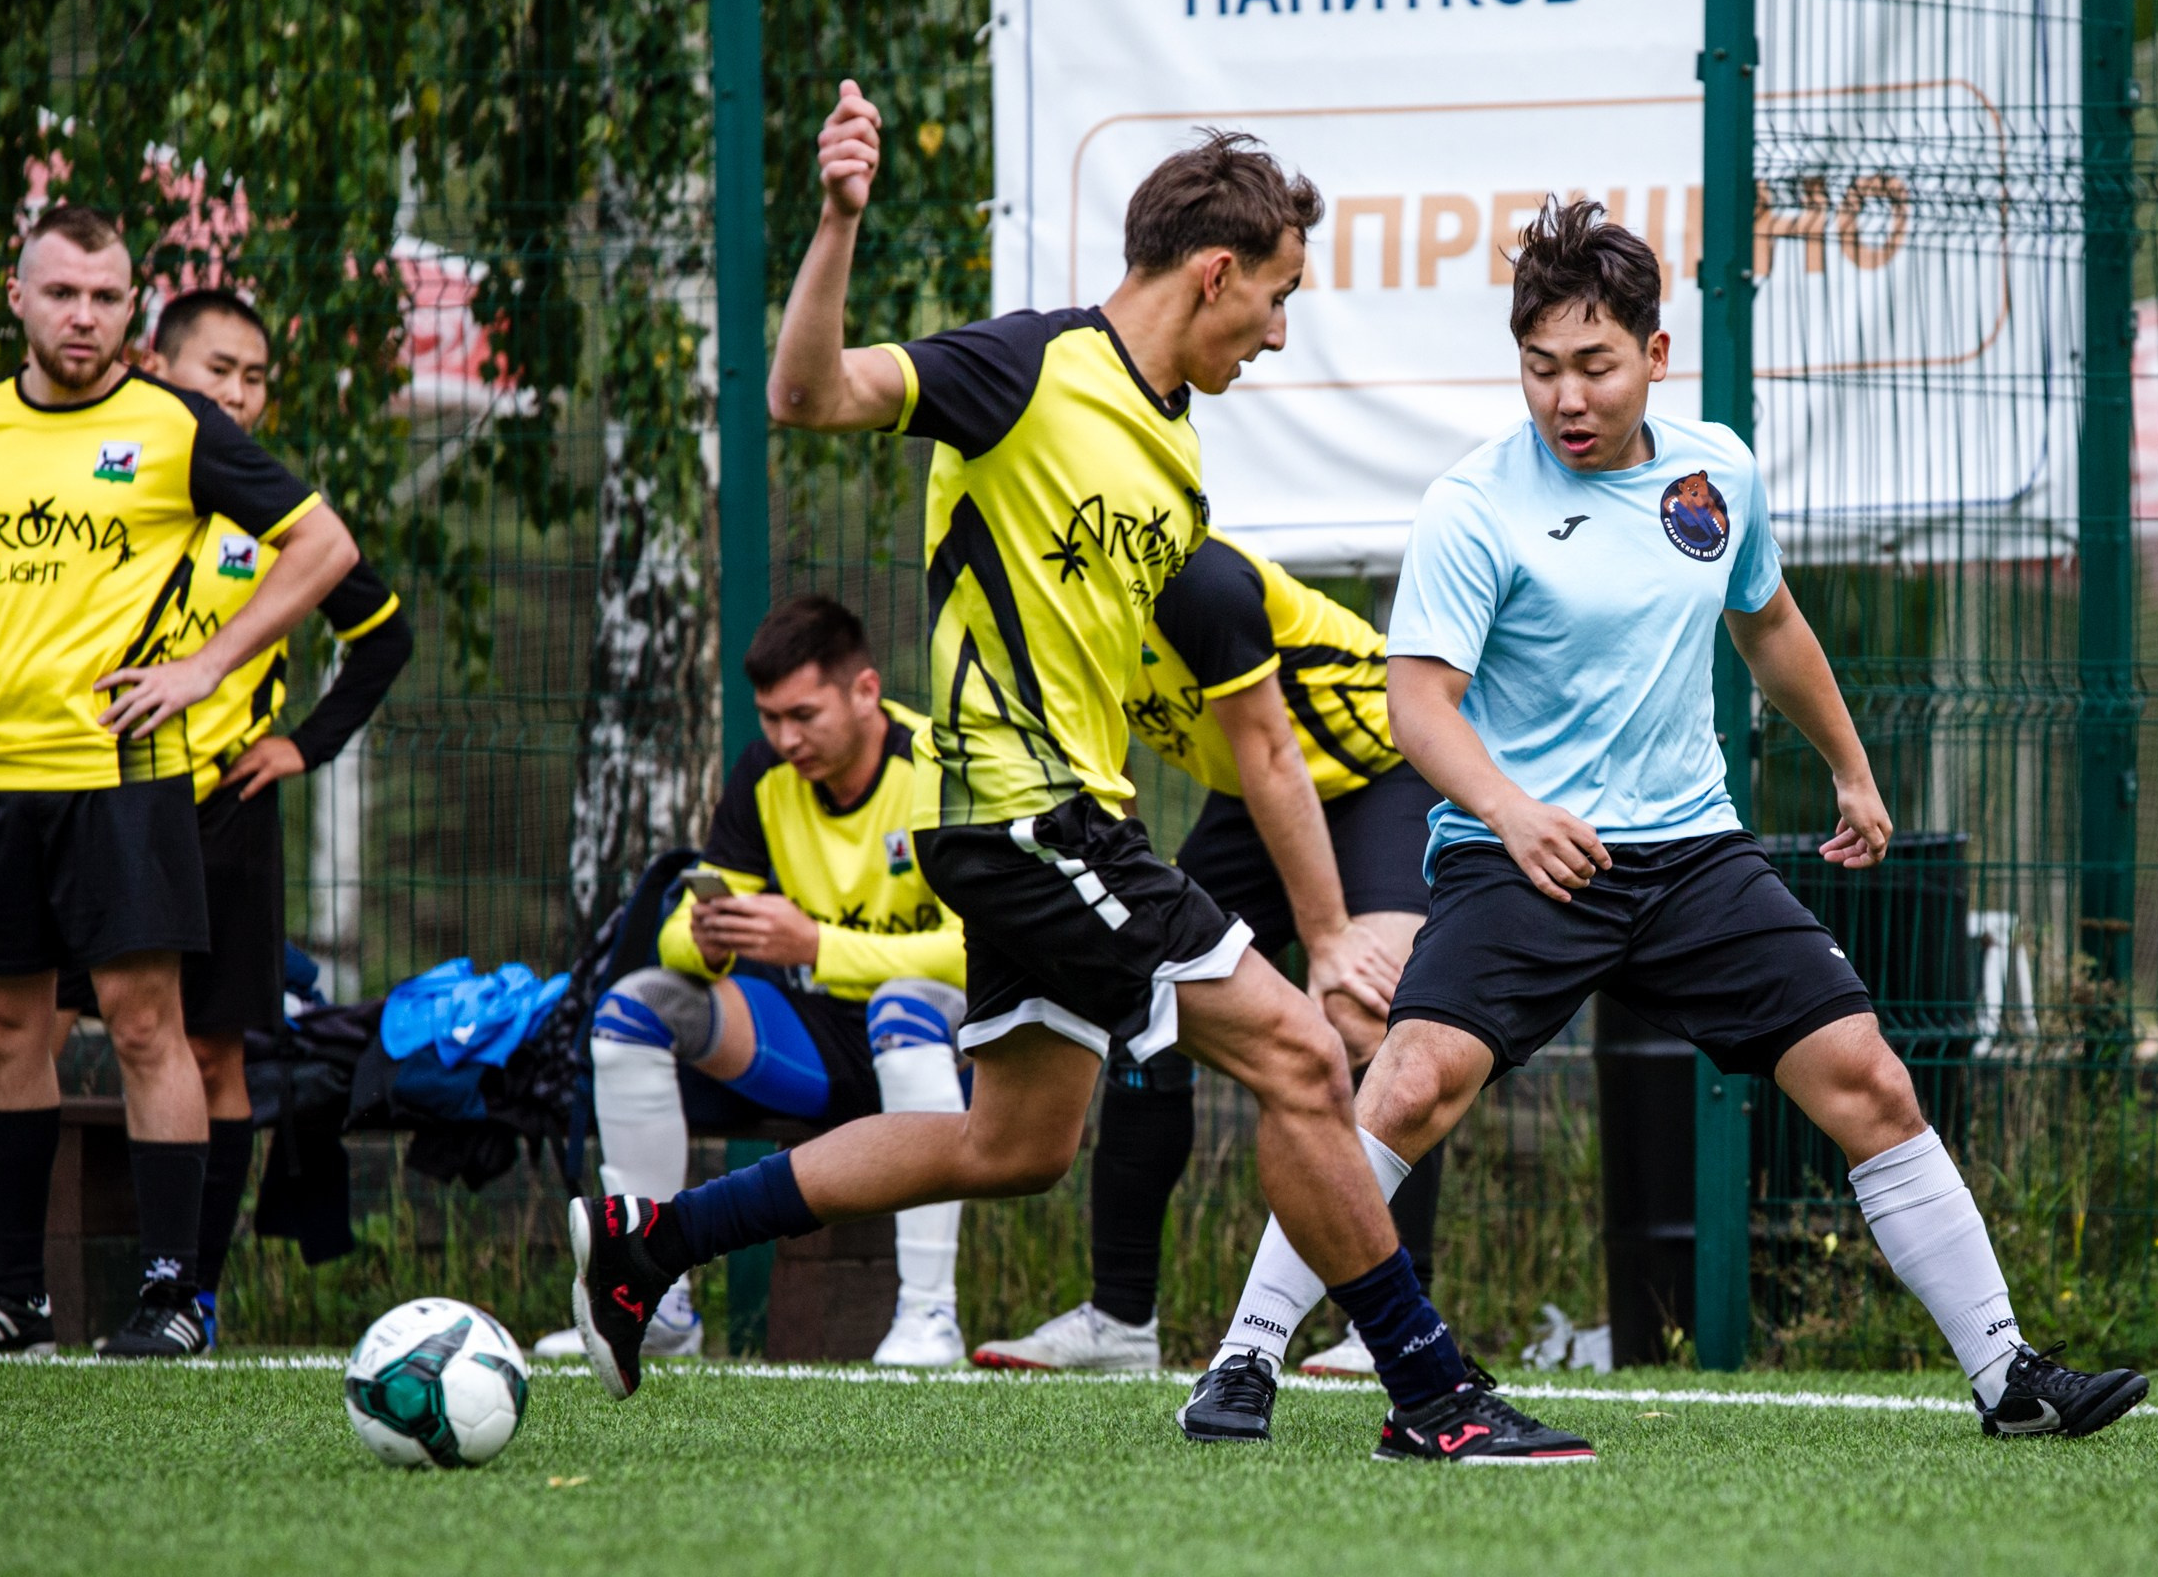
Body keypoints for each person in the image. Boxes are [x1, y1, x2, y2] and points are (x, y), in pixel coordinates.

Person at [567, 83, 1586, 1463]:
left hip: (1046, 832)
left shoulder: (1172, 451)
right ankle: (1435, 1393)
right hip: (1033, 823)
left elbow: (1253, 731)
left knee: (1013, 1145)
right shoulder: (1027, 368)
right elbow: (805, 392)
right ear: (1214, 271)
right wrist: (837, 222)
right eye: (1277, 296)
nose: (1282, 331)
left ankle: (652, 1244)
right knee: (1297, 1054)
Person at [1181, 198, 2151, 1445]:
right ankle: (1245, 1357)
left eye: (1593, 366)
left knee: (1871, 1081)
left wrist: (1850, 770)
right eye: (1541, 370)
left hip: (1694, 857)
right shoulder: (1473, 504)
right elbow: (1418, 707)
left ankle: (2009, 1377)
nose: (1566, 398)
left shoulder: (1717, 472)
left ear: (1655, 350)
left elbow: (1771, 622)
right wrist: (1512, 813)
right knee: (1409, 1085)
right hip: (1519, 858)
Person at [0, 286, 412, 1350]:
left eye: (255, 377)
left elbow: (379, 629)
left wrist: (303, 741)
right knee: (20, 1029)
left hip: (216, 813)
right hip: (83, 795)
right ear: (162, 368)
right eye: (219, 372)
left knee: (203, 1052)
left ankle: (187, 1292)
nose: (239, 394)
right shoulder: (108, 490)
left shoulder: (264, 523)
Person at [973, 529, 1442, 1375]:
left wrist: (1330, 939)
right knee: (1151, 1008)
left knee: (1365, 1016)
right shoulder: (1068, 601)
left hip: (1382, 777)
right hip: (1253, 797)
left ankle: (1394, 1322)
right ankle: (1120, 1325)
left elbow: (1270, 750)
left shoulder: (1200, 581)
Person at [535, 596, 971, 1367]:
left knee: (904, 1007)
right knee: (634, 1008)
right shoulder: (764, 771)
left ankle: (929, 1319)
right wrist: (703, 939)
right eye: (770, 717)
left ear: (865, 690)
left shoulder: (937, 763)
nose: (784, 738)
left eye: (803, 714)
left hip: (939, 1045)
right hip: (809, 1042)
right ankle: (654, 1302)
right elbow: (682, 926)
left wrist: (818, 944)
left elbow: (979, 951)